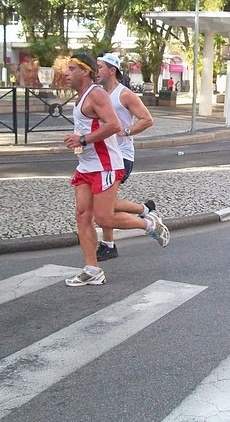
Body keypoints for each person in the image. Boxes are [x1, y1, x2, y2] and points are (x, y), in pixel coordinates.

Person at [63, 54, 169, 287]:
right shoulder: (81, 97)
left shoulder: (97, 94)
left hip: (106, 165)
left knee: (104, 217)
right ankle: (92, 269)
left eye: (71, 68)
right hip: (86, 165)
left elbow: (114, 125)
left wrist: (83, 139)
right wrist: (78, 140)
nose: (66, 73)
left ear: (85, 71)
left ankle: (150, 224)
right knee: (82, 216)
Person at [95, 52, 155, 261]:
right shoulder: (99, 94)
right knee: (105, 205)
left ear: (112, 70)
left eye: (100, 67)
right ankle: (109, 244)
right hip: (104, 156)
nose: (97, 71)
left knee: (104, 205)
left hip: (122, 157)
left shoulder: (124, 94)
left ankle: (144, 214)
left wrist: (126, 131)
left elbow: (147, 119)